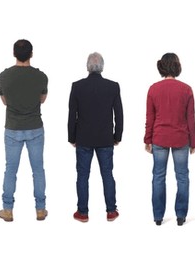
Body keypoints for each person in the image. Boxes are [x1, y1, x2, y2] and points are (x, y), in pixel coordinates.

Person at [0, 39, 49, 222]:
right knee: (38, 169)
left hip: (13, 128)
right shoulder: (41, 76)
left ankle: (8, 210)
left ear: (13, 54)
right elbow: (42, 99)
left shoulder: (4, 76)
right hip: (35, 127)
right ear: (31, 54)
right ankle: (40, 209)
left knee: (10, 170)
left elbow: (5, 101)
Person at [68, 52, 123, 223]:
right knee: (107, 174)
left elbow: (72, 115)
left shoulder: (77, 86)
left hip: (83, 138)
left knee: (82, 176)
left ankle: (83, 213)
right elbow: (119, 115)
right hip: (105, 138)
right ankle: (111, 211)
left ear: (87, 67)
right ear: (102, 67)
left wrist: (72, 137)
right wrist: (117, 136)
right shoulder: (113, 86)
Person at [145, 53, 195, 226]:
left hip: (159, 137)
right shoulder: (186, 89)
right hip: (181, 138)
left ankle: (158, 216)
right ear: (177, 66)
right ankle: (181, 216)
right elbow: (191, 118)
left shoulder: (153, 89)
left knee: (158, 176)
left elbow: (150, 117)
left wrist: (147, 139)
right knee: (182, 177)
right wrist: (194, 141)